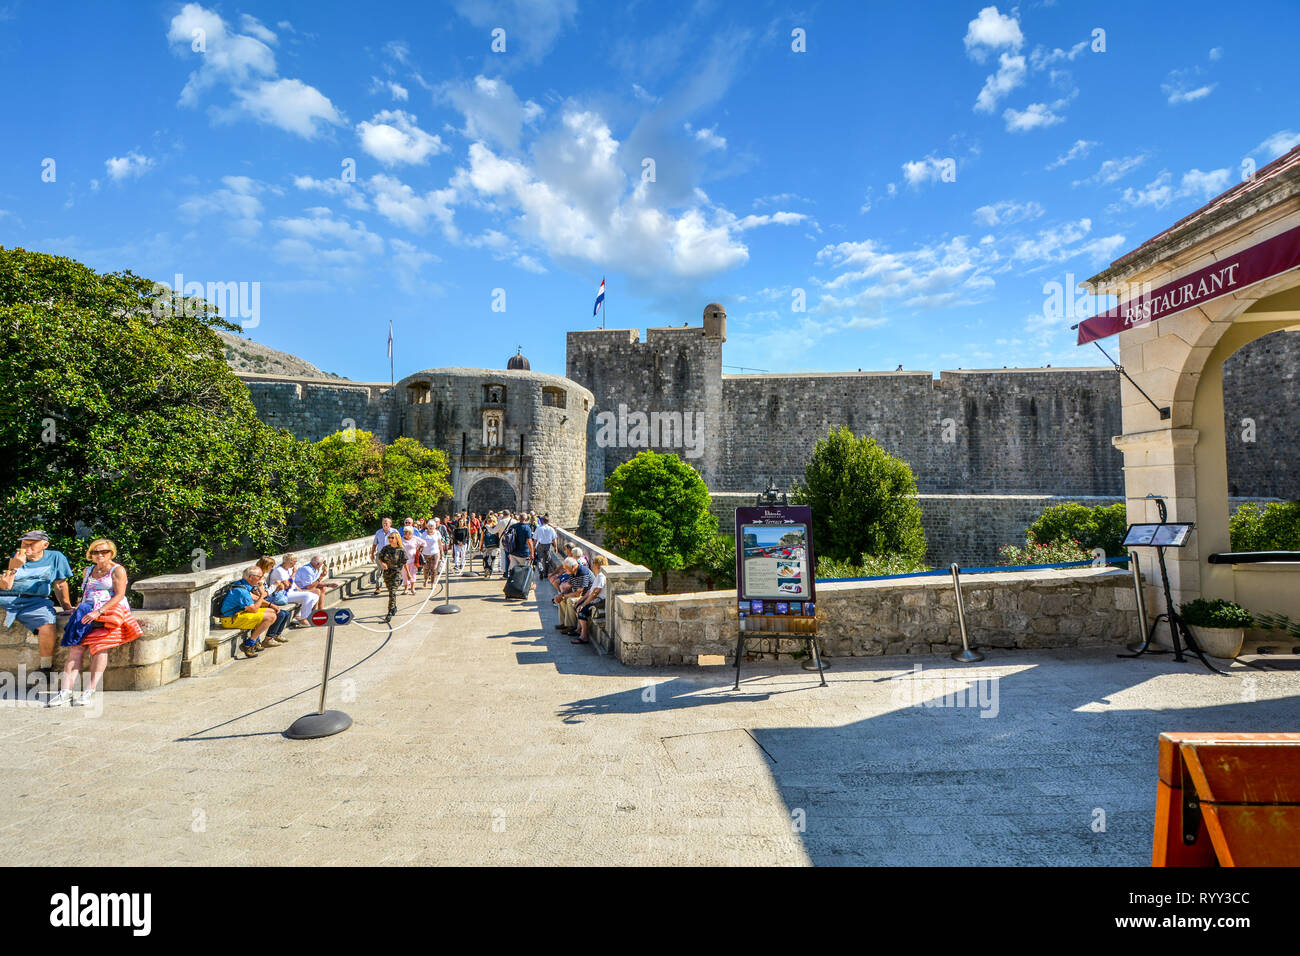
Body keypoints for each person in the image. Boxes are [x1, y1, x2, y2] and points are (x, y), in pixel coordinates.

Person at [49, 539, 143, 707]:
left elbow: (119, 595)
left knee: (100, 648)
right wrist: (76, 609)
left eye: (104, 552)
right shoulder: (88, 571)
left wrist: (99, 611)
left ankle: (89, 690)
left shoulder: (117, 570)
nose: (100, 555)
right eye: (95, 552)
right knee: (76, 649)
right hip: (86, 612)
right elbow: (87, 593)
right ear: (90, 554)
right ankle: (65, 692)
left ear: (111, 553)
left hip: (107, 613)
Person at [0, 530, 74, 683]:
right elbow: (6, 586)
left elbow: (60, 584)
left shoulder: (55, 557)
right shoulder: (17, 558)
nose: (26, 547)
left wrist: (67, 607)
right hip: (6, 598)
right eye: (24, 543)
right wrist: (14, 567)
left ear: (44, 545)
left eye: (31, 544)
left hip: (35, 601)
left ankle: (45, 668)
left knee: (47, 623)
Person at [219, 566, 284, 658]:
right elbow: (254, 609)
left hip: (238, 614)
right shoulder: (241, 591)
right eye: (259, 577)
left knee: (272, 611)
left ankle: (256, 639)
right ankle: (249, 644)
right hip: (230, 619)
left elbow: (254, 598)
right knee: (270, 617)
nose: (261, 579)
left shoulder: (242, 584)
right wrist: (262, 594)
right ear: (251, 577)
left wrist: (271, 605)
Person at [271, 553, 317, 628]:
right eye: (294, 561)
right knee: (308, 595)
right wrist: (294, 574)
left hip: (291, 592)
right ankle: (303, 619)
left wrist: (300, 591)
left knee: (315, 596)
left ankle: (299, 616)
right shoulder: (279, 570)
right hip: (282, 594)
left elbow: (293, 584)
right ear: (289, 561)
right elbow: (287, 585)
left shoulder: (288, 569)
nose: (295, 563)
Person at [572, 555, 608, 645]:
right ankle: (578, 630)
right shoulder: (598, 575)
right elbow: (589, 591)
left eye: (593, 563)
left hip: (598, 602)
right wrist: (580, 600)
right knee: (576, 606)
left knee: (581, 611)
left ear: (596, 564)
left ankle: (584, 637)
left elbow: (595, 593)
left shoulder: (601, 576)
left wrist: (583, 604)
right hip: (594, 600)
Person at [502, 512, 535, 597]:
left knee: (513, 571)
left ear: (519, 518)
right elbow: (529, 541)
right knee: (525, 572)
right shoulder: (527, 528)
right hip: (524, 554)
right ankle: (525, 588)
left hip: (513, 553)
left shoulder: (513, 526)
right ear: (526, 519)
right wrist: (532, 553)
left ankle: (511, 588)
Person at [376, 531, 406, 623]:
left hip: (396, 573)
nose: (390, 539)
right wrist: (382, 564)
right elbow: (379, 557)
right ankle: (394, 607)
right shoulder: (385, 548)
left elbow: (405, 562)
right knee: (391, 592)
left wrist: (408, 574)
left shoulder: (401, 550)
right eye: (389, 538)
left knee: (392, 592)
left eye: (392, 538)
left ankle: (389, 612)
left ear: (397, 539)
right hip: (387, 573)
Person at [370, 517, 395, 595]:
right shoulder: (378, 532)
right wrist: (372, 554)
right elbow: (375, 543)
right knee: (380, 570)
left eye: (386, 522)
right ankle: (378, 587)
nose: (385, 524)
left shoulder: (394, 532)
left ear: (390, 524)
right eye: (383, 522)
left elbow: (399, 543)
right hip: (380, 554)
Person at [400, 526, 423, 594]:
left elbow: (424, 543)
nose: (405, 533)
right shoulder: (401, 539)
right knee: (404, 575)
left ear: (410, 533)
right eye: (404, 531)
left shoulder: (415, 538)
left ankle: (412, 588)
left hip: (413, 560)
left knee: (412, 574)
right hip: (404, 560)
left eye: (406, 532)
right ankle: (406, 588)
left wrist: (419, 550)